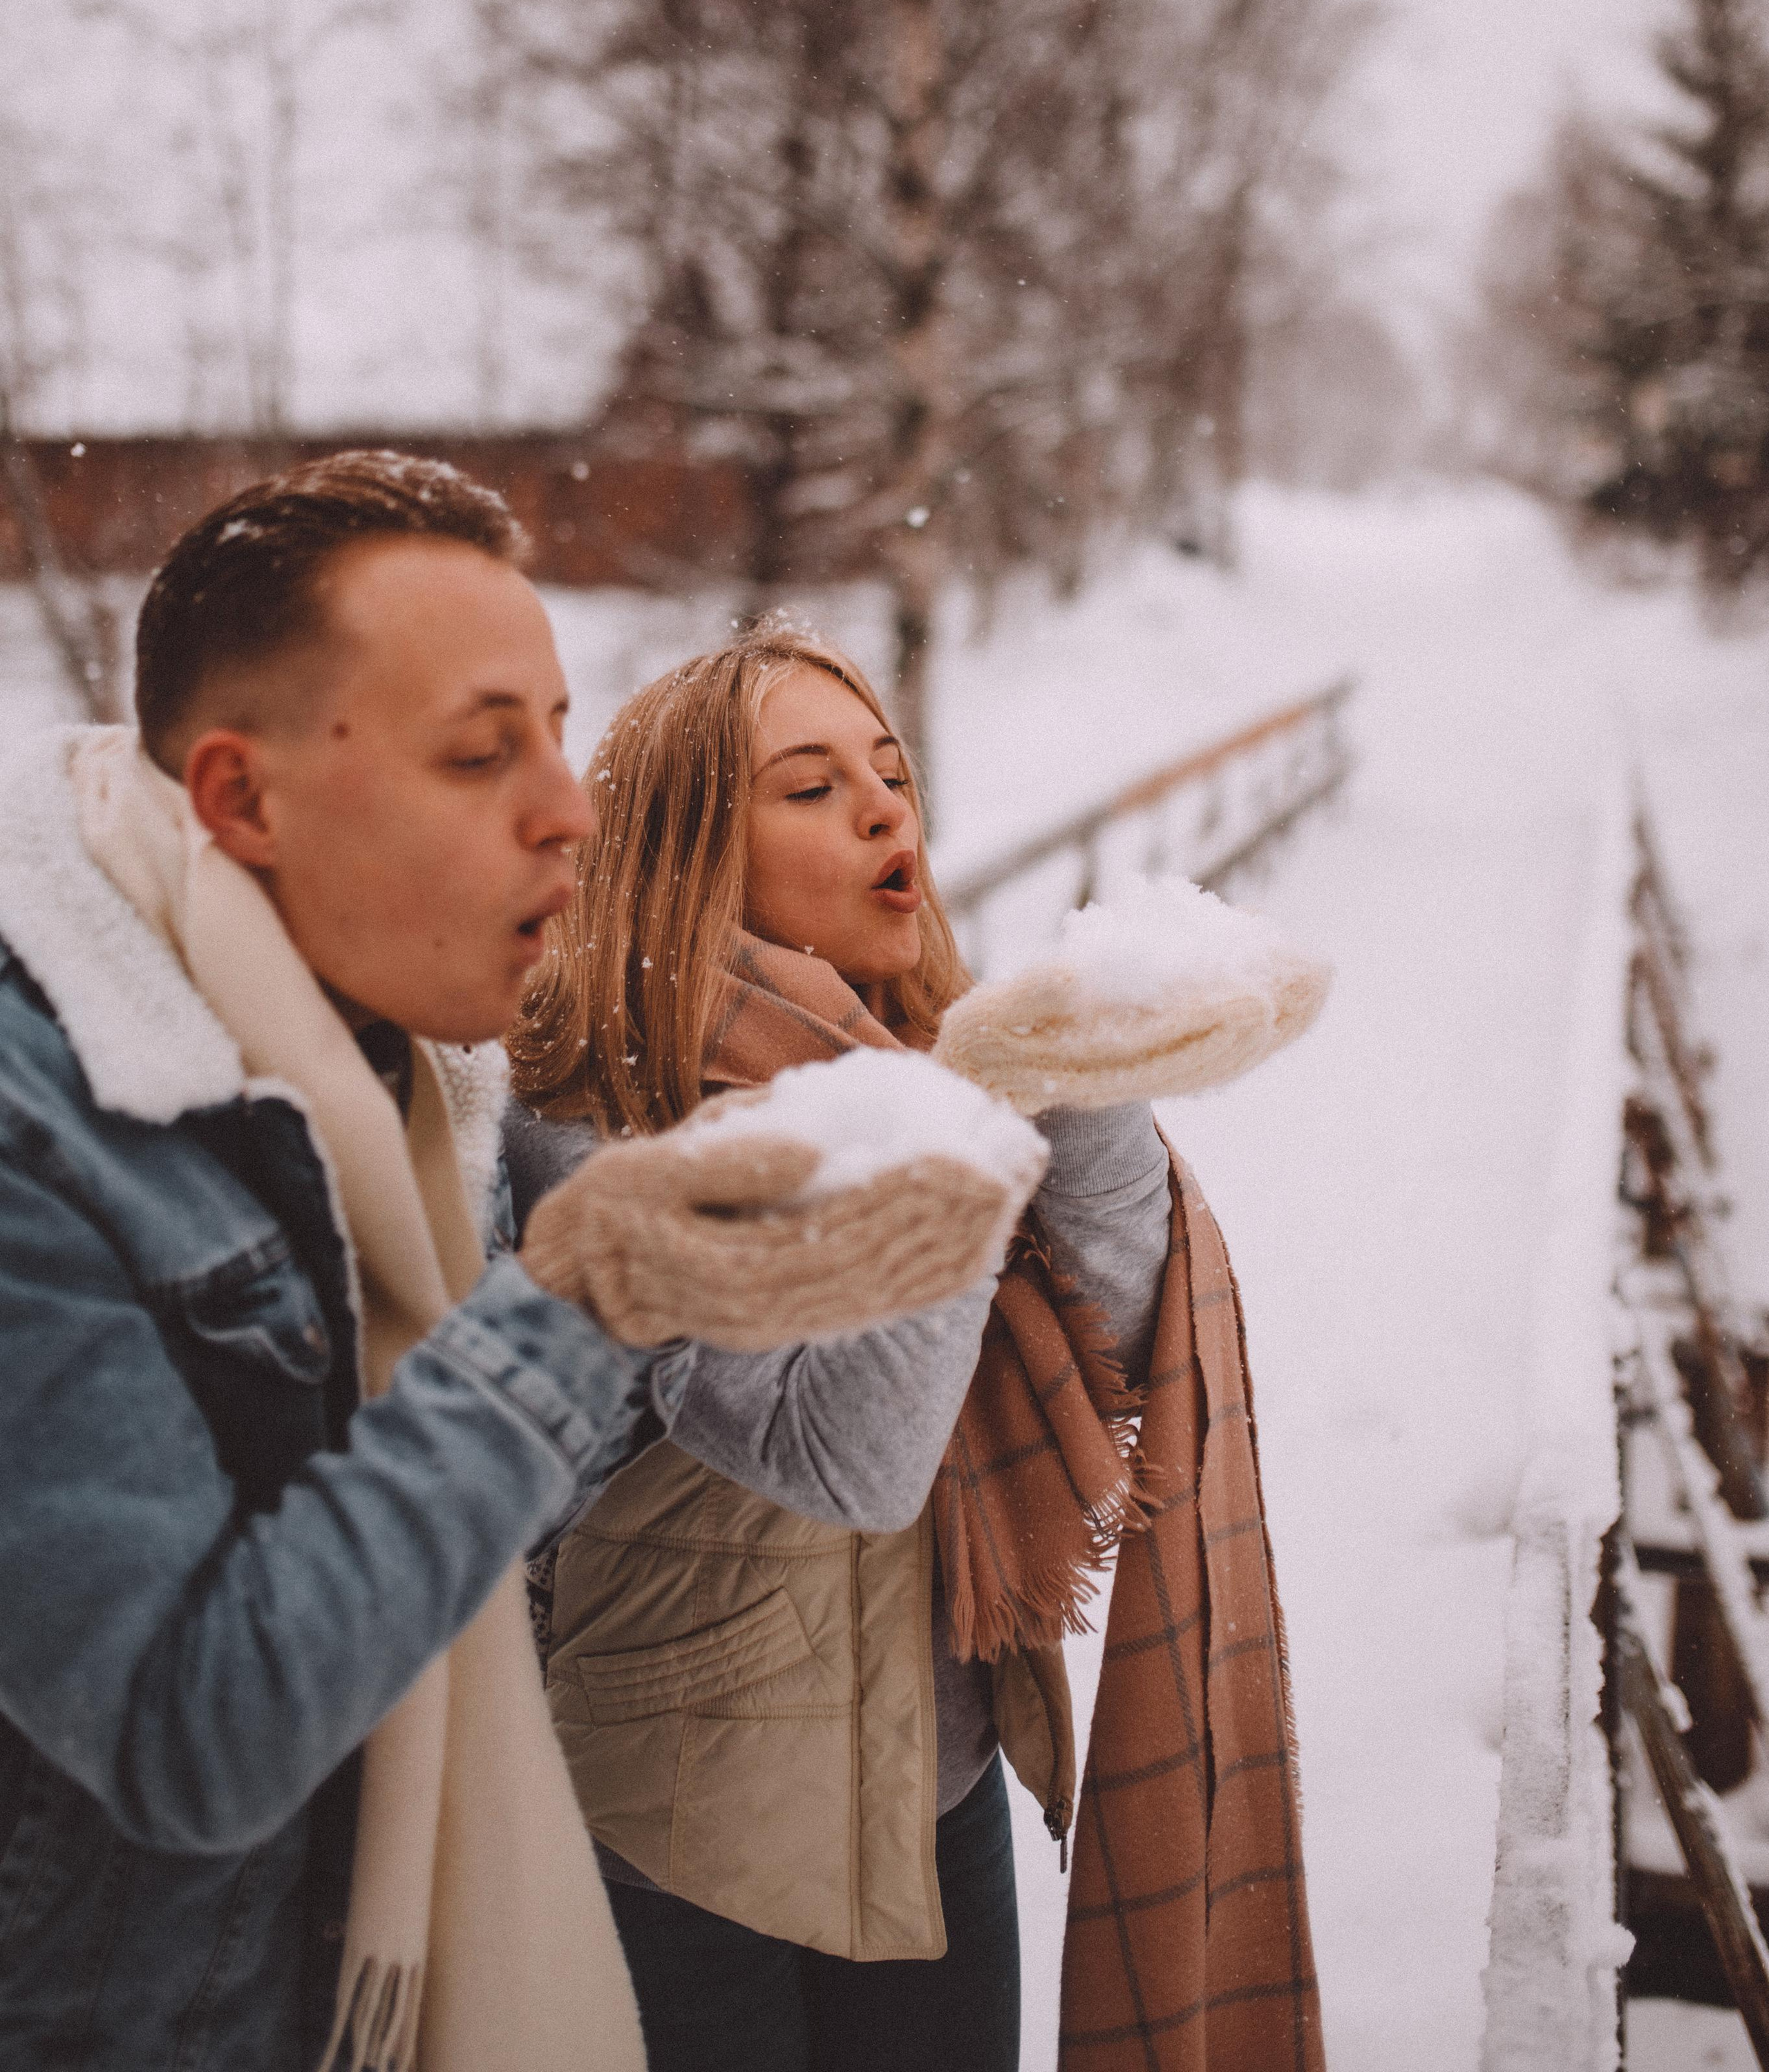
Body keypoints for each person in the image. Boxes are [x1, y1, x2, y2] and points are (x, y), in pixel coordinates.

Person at [0, 456, 1023, 2072]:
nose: (568, 807)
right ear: (242, 800)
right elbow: (199, 1732)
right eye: (483, 752)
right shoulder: (45, 1140)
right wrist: (573, 1309)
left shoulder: (387, 1078)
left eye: (555, 732)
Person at [506, 625, 1324, 2072]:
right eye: (811, 787)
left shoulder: (916, 1049)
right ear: (686, 847)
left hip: (934, 1777)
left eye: (890, 773)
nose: (886, 810)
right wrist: (971, 1124)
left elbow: (1134, 1335)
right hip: (679, 1827)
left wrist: (1084, 1080)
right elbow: (842, 1459)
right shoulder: (600, 1098)